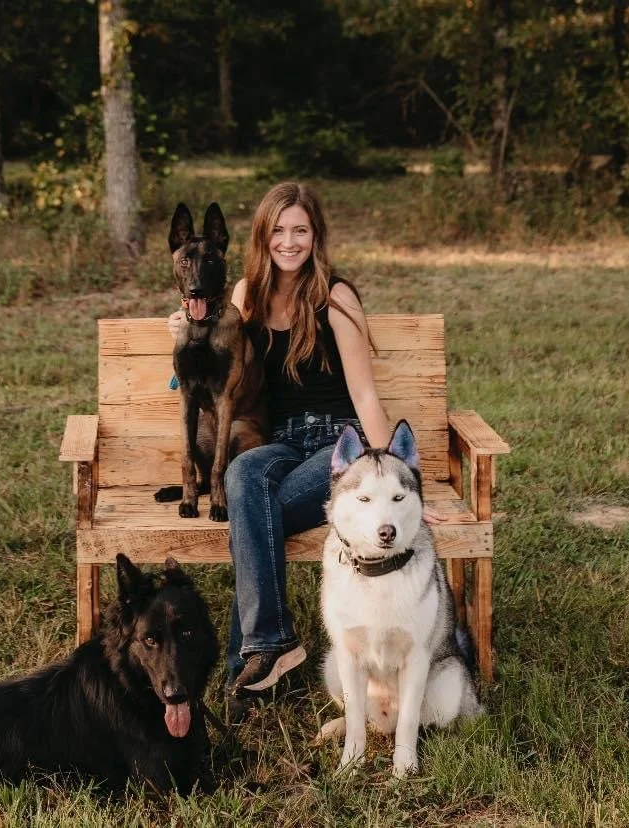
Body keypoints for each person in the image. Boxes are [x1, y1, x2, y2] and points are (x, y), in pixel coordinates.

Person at [167, 182, 442, 720]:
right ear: (262, 236)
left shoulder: (335, 297)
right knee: (244, 477)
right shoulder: (246, 294)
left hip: (340, 449)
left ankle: (247, 667)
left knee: (251, 515)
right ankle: (270, 645)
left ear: (315, 236)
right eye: (278, 231)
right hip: (279, 441)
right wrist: (182, 330)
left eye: (300, 230)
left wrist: (402, 487)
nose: (289, 242)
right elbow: (213, 367)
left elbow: (365, 395)